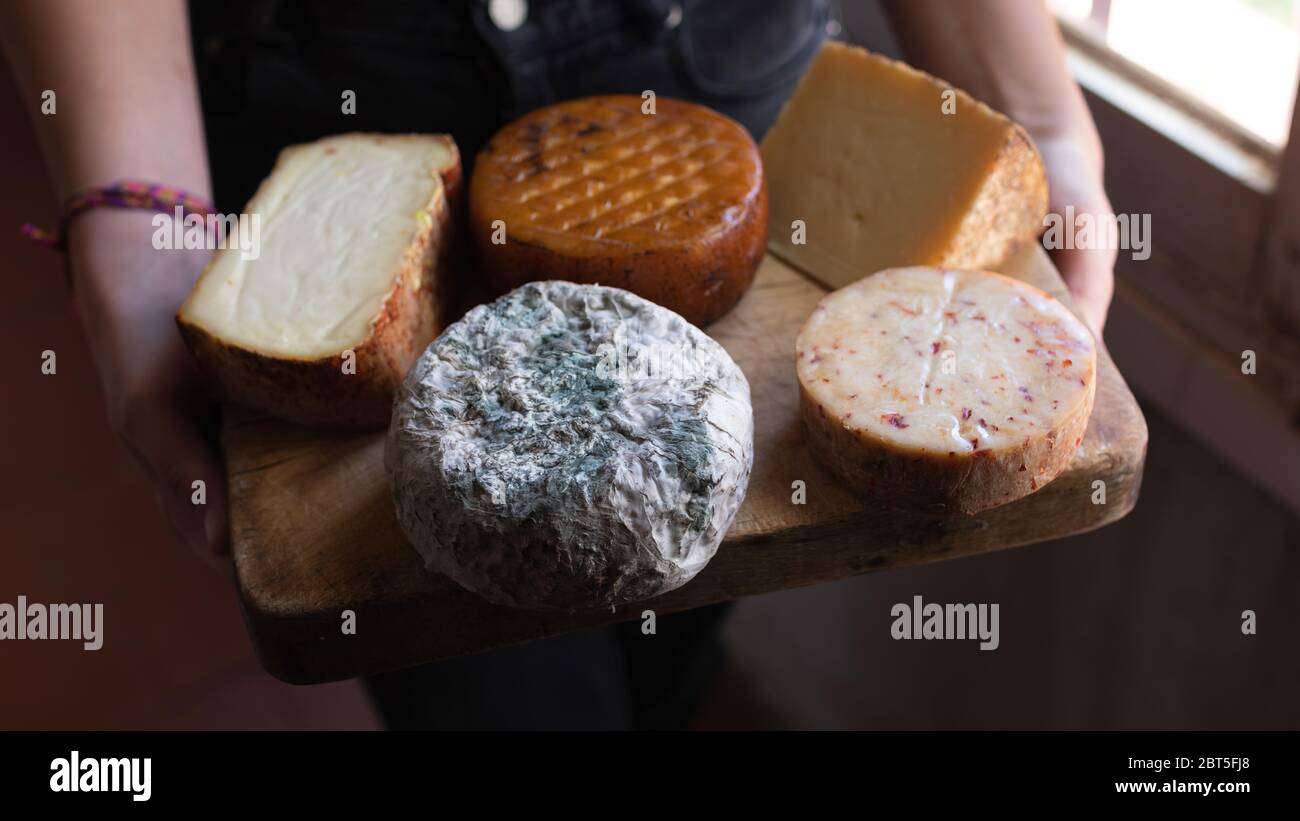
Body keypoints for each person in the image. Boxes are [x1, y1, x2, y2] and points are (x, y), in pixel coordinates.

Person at [1, 0, 1115, 729]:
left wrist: (1032, 114)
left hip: (713, 93)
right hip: (349, 126)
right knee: (501, 700)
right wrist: (134, 215)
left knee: (686, 615)